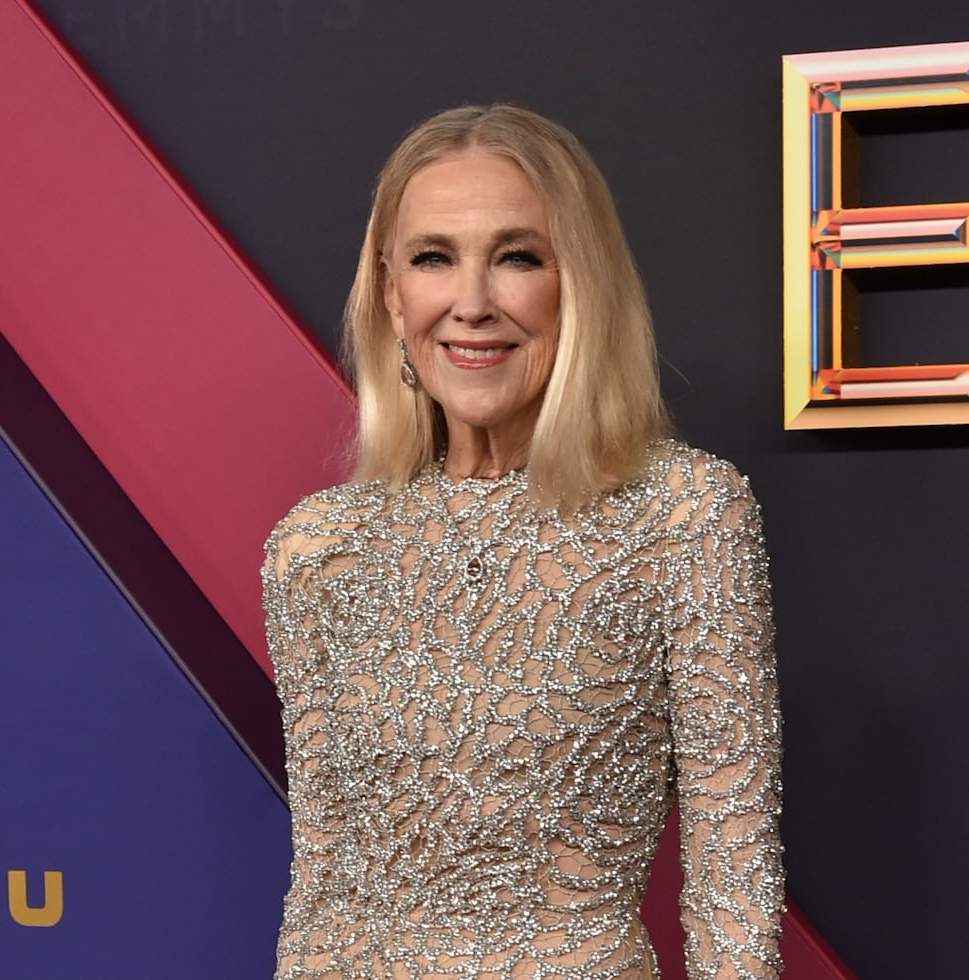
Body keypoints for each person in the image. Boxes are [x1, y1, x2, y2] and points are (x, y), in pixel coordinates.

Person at [262, 104, 785, 979]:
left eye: (516, 257)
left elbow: (734, 870)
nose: (471, 303)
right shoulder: (318, 550)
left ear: (577, 281)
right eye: (434, 259)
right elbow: (321, 879)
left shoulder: (685, 516)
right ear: (392, 293)